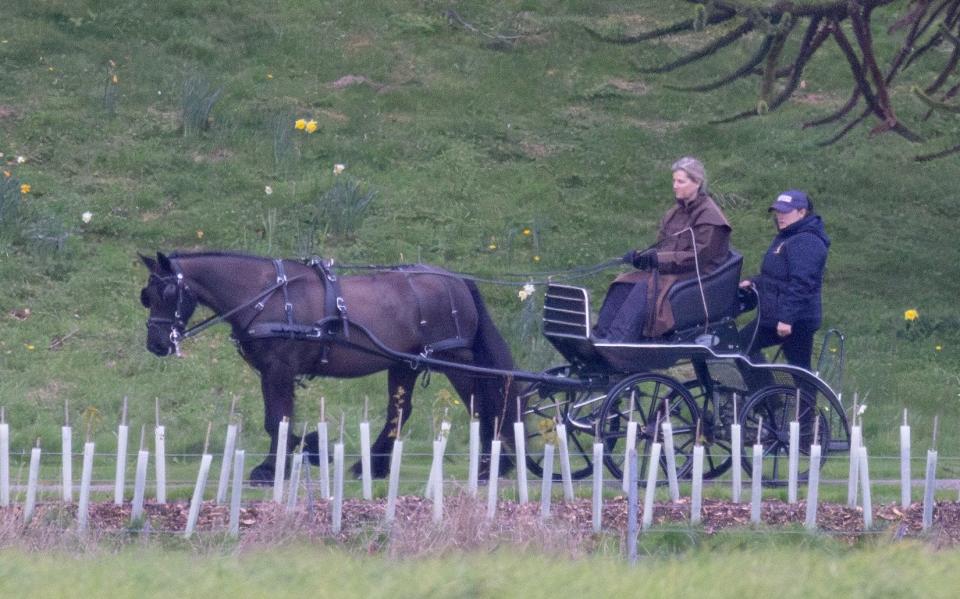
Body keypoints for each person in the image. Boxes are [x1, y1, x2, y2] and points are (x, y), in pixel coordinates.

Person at [594, 157, 732, 341]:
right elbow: (662, 246)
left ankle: (618, 339)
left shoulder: (710, 217)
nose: (675, 186)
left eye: (681, 181)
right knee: (623, 282)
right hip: (671, 270)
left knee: (645, 287)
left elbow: (698, 257)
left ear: (697, 182)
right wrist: (642, 258)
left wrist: (658, 260)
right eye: (674, 180)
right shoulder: (674, 212)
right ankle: (600, 335)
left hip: (697, 276)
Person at [739, 189, 830, 370]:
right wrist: (755, 282)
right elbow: (778, 276)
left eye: (785, 212)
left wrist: (787, 319)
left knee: (799, 370)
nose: (780, 216)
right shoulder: (787, 236)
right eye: (778, 212)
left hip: (794, 321)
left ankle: (768, 395)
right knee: (741, 347)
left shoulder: (807, 241)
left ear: (802, 212)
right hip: (775, 317)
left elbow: (802, 284)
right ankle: (766, 395)